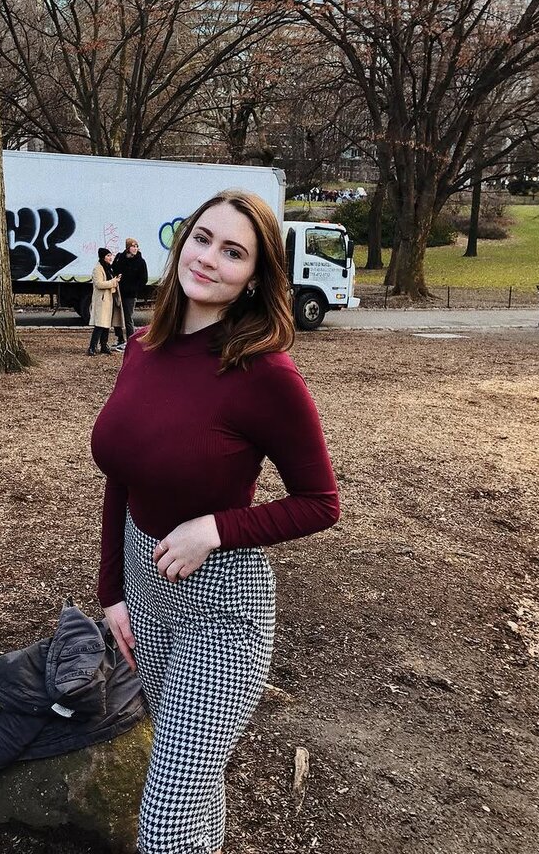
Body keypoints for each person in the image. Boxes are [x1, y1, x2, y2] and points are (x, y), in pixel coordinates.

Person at [91, 190, 340, 854]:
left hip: (222, 609)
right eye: (202, 239)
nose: (208, 258)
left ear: (255, 275)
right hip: (145, 586)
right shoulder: (143, 346)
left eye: (233, 252)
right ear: (182, 242)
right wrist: (112, 592)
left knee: (164, 819)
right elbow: (123, 472)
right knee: (192, 787)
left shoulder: (265, 374)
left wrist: (217, 529)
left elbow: (321, 501)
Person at [111, 237, 148, 349]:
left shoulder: (140, 261)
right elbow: (114, 269)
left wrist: (134, 289)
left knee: (128, 318)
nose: (135, 248)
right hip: (118, 292)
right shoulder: (120, 258)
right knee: (116, 316)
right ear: (128, 248)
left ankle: (130, 341)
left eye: (136, 246)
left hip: (130, 295)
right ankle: (120, 338)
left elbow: (144, 279)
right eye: (133, 246)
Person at [87, 248, 122, 356]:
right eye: (108, 255)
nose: (110, 258)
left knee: (106, 324)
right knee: (100, 325)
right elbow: (99, 284)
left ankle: (103, 345)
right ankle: (92, 347)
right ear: (103, 257)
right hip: (102, 300)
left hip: (108, 299)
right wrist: (114, 281)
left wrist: (115, 281)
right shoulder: (98, 269)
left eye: (110, 255)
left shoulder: (108, 268)